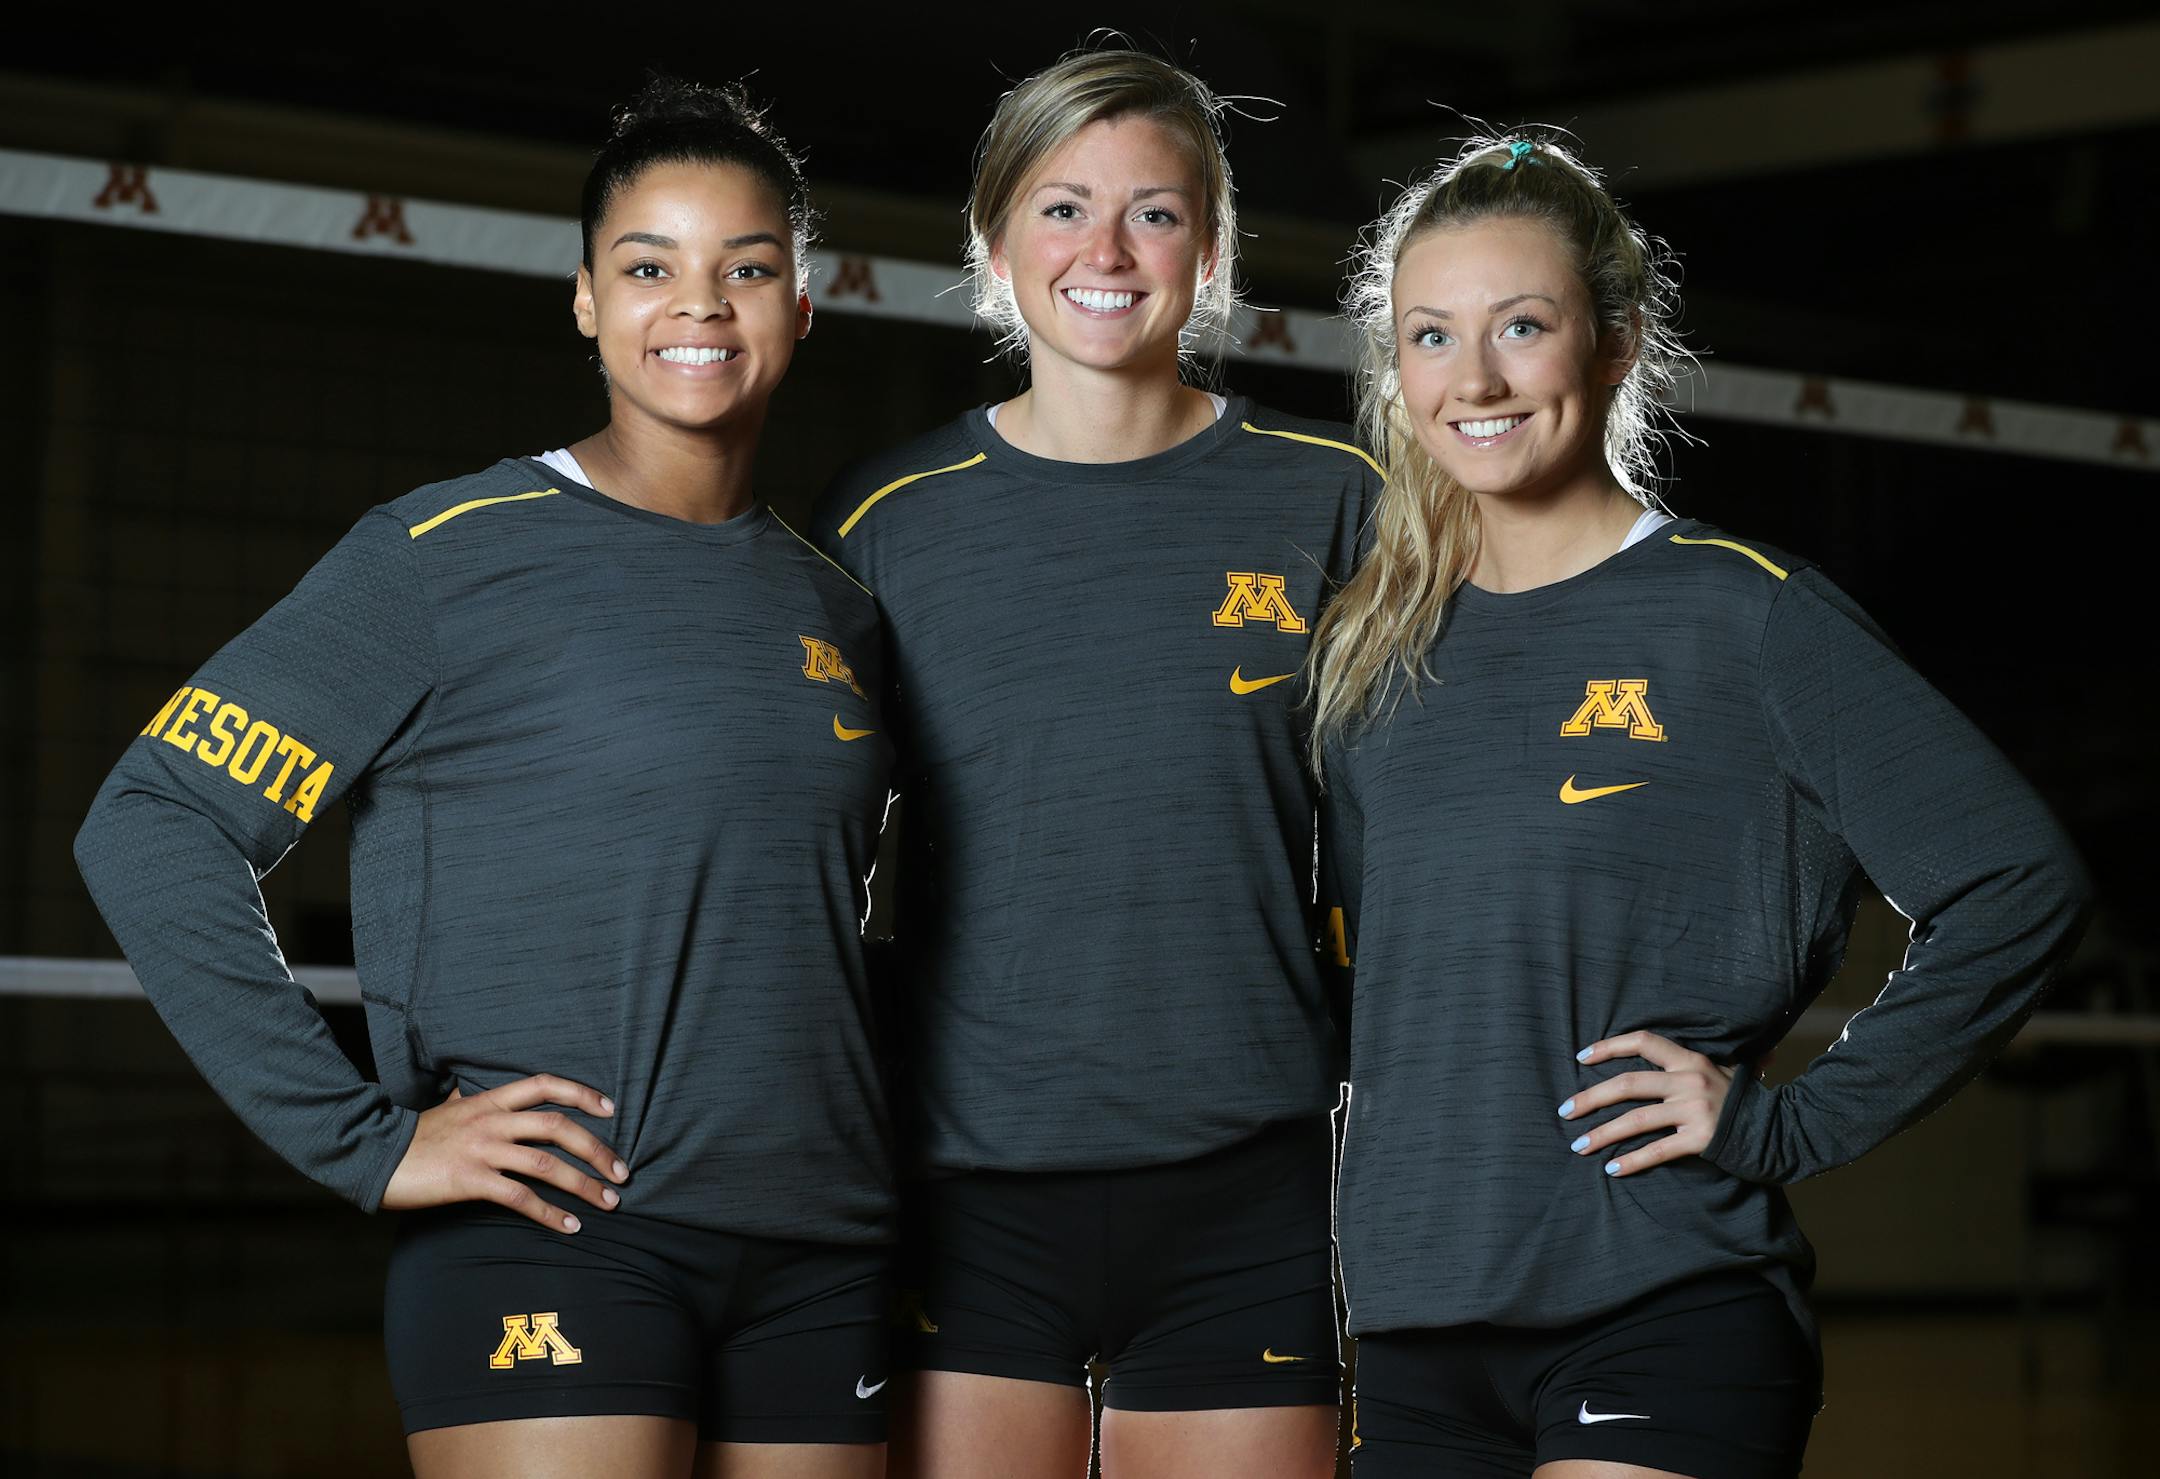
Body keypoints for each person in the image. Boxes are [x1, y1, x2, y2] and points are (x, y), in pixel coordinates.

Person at [74, 79, 896, 1479]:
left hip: (826, 1252)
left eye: (744, 270)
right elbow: (152, 824)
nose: (698, 306)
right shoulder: (439, 556)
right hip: (565, 1239)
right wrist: (364, 1142)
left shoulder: (840, 609)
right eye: (649, 267)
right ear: (585, 300)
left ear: (801, 305)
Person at [1307, 132, 2092, 1479]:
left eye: (1523, 327)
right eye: (1432, 336)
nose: (1475, 378)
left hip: (1662, 1298)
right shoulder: (1376, 649)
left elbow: (2018, 881)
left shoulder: (1744, 616)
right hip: (1414, 1318)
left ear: (1614, 346)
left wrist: (1792, 1122)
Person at [809, 47, 1375, 1479]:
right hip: (967, 1184)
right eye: (1062, 209)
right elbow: (787, 840)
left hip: (1252, 1179)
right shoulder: (887, 519)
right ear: (994, 244)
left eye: (1157, 214)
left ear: (1213, 246)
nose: (1107, 253)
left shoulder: (1339, 499)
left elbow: (1444, 824)